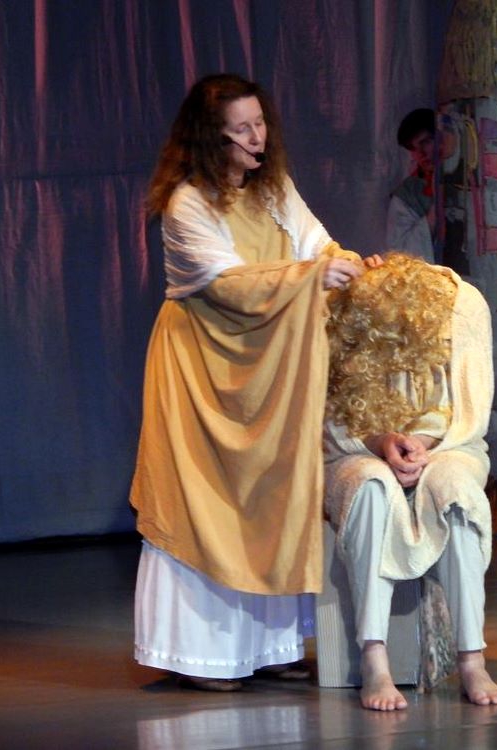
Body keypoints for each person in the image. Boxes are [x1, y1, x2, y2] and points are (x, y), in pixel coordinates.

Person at [129, 73, 366, 692]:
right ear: (212, 137)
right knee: (204, 504)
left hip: (268, 374)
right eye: (241, 129)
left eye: (260, 123)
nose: (257, 138)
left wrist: (344, 264)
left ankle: (270, 648)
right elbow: (229, 284)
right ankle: (199, 657)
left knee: (270, 496)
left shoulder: (273, 190)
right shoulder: (187, 204)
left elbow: (318, 244)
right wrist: (311, 277)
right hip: (202, 372)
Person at [322, 253, 497, 711]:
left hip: (449, 444)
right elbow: (333, 418)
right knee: (369, 486)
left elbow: (469, 409)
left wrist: (421, 444)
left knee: (455, 490)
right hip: (358, 450)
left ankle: (472, 657)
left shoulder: (462, 309)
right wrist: (383, 441)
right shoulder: (341, 312)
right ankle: (374, 657)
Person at [385, 109, 437, 262]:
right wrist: (433, 218)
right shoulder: (406, 196)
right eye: (413, 149)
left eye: (425, 142)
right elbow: (399, 255)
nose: (420, 153)